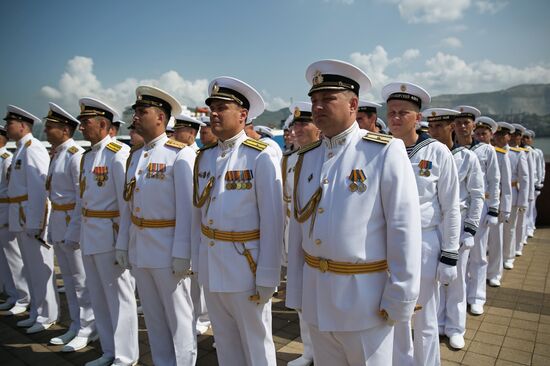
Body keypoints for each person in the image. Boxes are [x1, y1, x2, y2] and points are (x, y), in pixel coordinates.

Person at [286, 60, 421, 366]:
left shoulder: (383, 151)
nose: (318, 107)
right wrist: (296, 291)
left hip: (365, 303)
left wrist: (400, 297)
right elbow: (297, 229)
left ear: (353, 104)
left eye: (328, 99)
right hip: (317, 297)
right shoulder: (306, 158)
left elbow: (404, 229)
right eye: (314, 100)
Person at [192, 76, 283, 366]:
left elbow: (273, 220)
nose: (214, 114)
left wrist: (268, 274)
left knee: (256, 344)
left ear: (243, 115)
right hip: (212, 262)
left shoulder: (260, 156)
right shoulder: (204, 157)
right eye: (212, 108)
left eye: (222, 107)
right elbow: (200, 215)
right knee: (226, 343)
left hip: (247, 267)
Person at [116, 86, 198, 365]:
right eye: (136, 112)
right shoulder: (136, 155)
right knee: (153, 317)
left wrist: (183, 253)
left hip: (167, 250)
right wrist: (122, 244)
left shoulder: (180, 154)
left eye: (142, 112)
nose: (136, 117)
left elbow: (189, 210)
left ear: (161, 118)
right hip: (141, 248)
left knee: (179, 318)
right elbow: (128, 204)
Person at [385, 83, 460, 366]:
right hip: (387, 244)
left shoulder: (437, 152)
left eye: (403, 112)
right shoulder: (380, 150)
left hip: (425, 242)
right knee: (395, 313)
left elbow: (451, 207)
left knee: (425, 317)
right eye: (391, 112)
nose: (395, 118)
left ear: (418, 118)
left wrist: (449, 255)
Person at [66, 97, 138, 366]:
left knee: (118, 298)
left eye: (86, 122)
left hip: (110, 235)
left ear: (104, 124)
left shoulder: (117, 154)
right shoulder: (87, 156)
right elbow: (82, 200)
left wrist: (124, 243)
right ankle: (108, 349)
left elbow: (126, 205)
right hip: (90, 234)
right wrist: (74, 232)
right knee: (98, 295)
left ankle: (125, 355)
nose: (81, 127)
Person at [426, 108, 483, 350]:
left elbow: (477, 195)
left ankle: (456, 327)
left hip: (456, 223)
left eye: (439, 126)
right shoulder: (426, 153)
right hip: (431, 225)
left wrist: (470, 230)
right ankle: (437, 322)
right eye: (431, 127)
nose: (434, 131)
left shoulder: (467, 157)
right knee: (433, 279)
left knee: (457, 279)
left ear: (451, 127)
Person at [43, 102, 97, 351]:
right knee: (69, 277)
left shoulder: (75, 155)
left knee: (80, 280)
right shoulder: (59, 154)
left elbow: (81, 196)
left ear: (65, 130)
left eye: (50, 127)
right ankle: (76, 324)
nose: (45, 131)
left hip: (71, 222)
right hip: (59, 220)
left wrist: (74, 230)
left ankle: (87, 327)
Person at [5, 105, 59, 334]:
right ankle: (37, 311)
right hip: (21, 215)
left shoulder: (33, 148)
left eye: (9, 123)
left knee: (40, 269)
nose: (7, 126)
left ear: (22, 125)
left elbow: (39, 189)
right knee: (30, 268)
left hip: (31, 218)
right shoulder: (20, 149)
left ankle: (47, 315)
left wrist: (37, 223)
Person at [282, 101, 319, 366]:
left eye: (304, 122)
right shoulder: (289, 160)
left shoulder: (326, 157)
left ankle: (324, 351)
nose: (298, 128)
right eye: (296, 123)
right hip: (294, 237)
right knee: (300, 300)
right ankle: (309, 351)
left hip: (321, 240)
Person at [453, 106, 500, 316]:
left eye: (467, 123)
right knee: (458, 258)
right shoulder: (448, 149)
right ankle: (460, 299)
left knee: (479, 255)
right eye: (459, 122)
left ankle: (477, 296)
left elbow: (494, 180)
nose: (463, 126)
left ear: (474, 125)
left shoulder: (486, 149)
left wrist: (494, 209)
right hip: (458, 209)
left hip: (479, 208)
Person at [0, 125, 30, 316]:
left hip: (7, 209)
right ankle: (12, 294)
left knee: (14, 258)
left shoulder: (6, 158)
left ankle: (23, 296)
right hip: (7, 209)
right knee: (4, 259)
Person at [483, 120, 512, 288]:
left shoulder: (500, 154)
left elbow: (506, 186)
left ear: (490, 136)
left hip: (494, 203)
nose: (480, 137)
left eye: (484, 134)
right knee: (479, 246)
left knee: (495, 241)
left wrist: (505, 209)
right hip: (478, 205)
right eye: (477, 134)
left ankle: (494, 273)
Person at [502, 123, 528, 271]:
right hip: (494, 196)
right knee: (495, 231)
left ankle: (508, 257)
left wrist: (523, 201)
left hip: (512, 193)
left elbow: (524, 179)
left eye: (503, 135)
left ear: (509, 137)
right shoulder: (492, 151)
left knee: (509, 229)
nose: (500, 138)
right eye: (497, 135)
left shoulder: (517, 154)